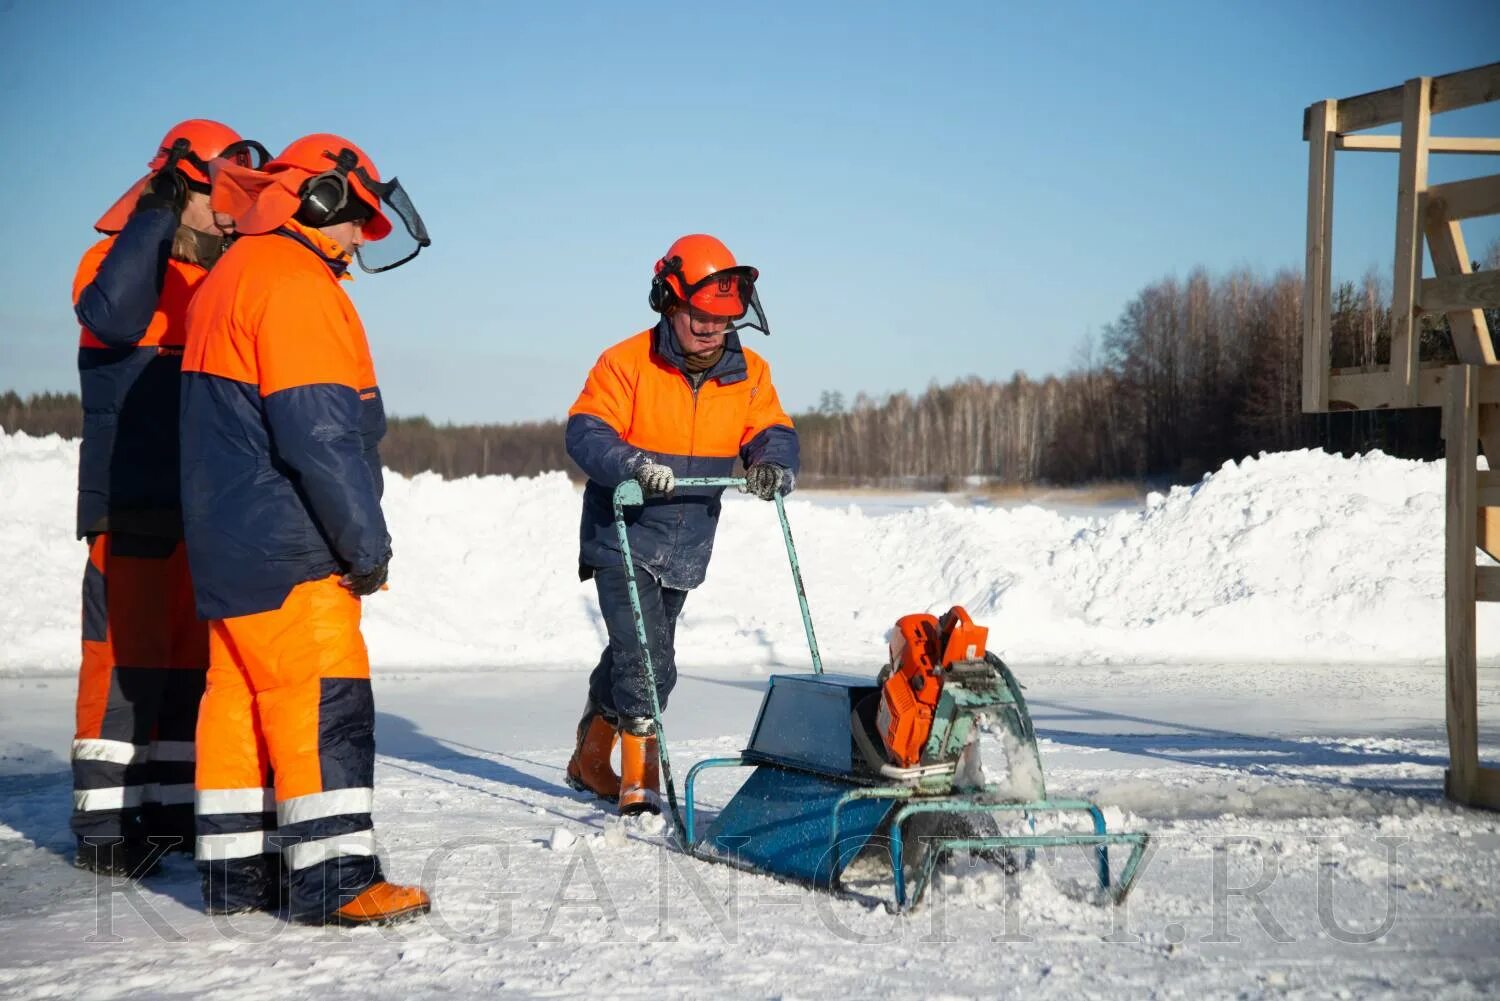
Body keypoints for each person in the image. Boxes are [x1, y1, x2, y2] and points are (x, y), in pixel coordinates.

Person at [179, 133, 431, 924]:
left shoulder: (229, 277)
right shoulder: (296, 286)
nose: (359, 237)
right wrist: (365, 544)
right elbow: (320, 437)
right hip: (292, 548)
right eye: (355, 218)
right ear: (319, 200)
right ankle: (338, 880)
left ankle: (238, 877)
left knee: (238, 704)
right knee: (323, 703)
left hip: (228, 546)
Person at [70, 119, 266, 877]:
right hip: (132, 500)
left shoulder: (224, 275)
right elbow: (112, 315)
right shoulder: (111, 263)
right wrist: (155, 211)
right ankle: (105, 824)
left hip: (204, 506)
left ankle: (171, 808)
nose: (232, 205)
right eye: (220, 188)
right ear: (180, 183)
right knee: (124, 663)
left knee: (191, 666)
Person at [564, 234, 800, 815]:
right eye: (699, 314)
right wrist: (632, 466)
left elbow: (771, 430)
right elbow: (586, 432)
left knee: (641, 655)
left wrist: (772, 464)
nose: (711, 327)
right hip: (623, 533)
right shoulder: (625, 363)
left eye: (723, 317)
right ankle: (639, 787)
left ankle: (590, 757)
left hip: (689, 540)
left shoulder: (750, 373)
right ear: (669, 301)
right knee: (648, 660)